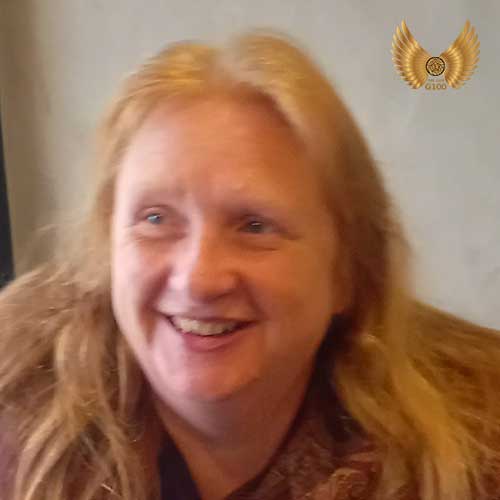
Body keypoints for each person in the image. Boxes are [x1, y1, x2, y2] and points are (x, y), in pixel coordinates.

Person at [0, 29, 499, 500]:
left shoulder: (479, 446)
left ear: (346, 271)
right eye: (155, 219)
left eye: (255, 226)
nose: (198, 279)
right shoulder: (14, 406)